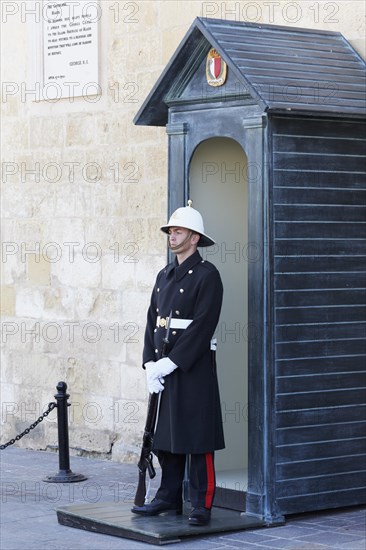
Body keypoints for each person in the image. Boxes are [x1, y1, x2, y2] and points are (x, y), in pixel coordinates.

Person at [131, 200, 225, 526]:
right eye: (171, 230)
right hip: (162, 367)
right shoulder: (165, 274)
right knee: (167, 438)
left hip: (192, 368)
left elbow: (202, 326)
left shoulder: (207, 276)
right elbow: (152, 321)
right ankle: (166, 497)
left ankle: (201, 505)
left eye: (179, 230)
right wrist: (149, 364)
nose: (172, 235)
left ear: (195, 237)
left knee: (198, 438)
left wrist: (172, 362)